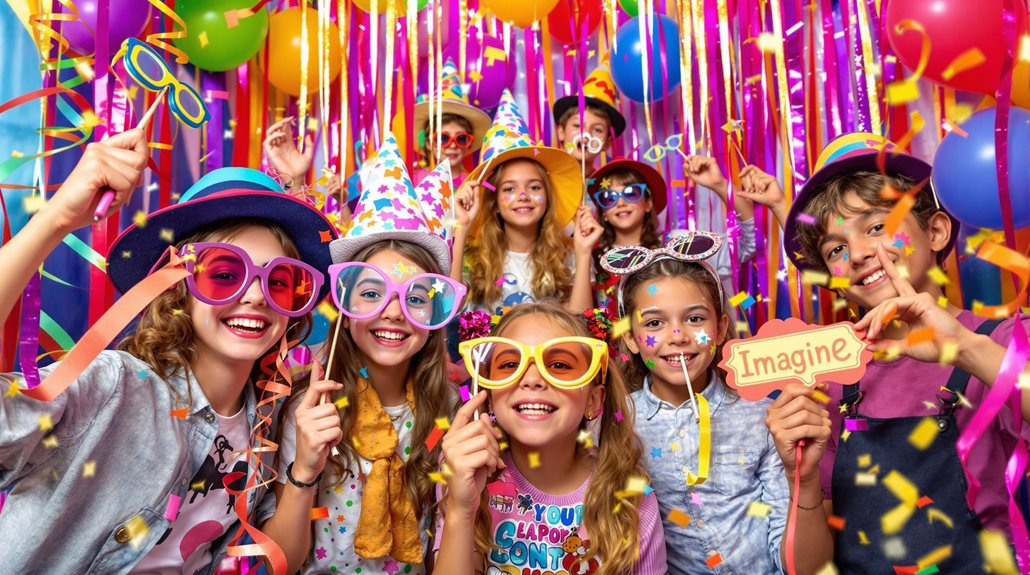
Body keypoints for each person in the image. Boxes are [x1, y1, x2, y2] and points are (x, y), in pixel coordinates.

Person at [0, 130, 337, 573]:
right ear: (179, 287)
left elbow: (276, 563)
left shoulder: (264, 428)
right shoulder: (112, 387)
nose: (255, 296)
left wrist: (305, 472)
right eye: (224, 273)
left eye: (278, 281)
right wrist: (57, 218)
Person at [766, 132, 1029, 573]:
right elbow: (809, 569)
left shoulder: (1001, 340)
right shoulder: (832, 375)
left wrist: (966, 351)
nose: (859, 254)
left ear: (936, 230)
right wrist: (804, 481)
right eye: (835, 248)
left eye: (877, 227)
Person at [260, 132, 464, 574]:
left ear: (434, 318)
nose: (393, 312)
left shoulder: (445, 410)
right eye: (371, 292)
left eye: (414, 296)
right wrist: (305, 469)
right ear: (346, 308)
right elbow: (281, 563)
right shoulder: (309, 407)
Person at [602, 233, 789, 573]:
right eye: (655, 323)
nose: (678, 336)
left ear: (719, 329)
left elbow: (789, 546)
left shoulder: (762, 415)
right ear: (630, 339)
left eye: (694, 319)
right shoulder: (615, 424)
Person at [434, 301, 667, 574]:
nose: (532, 379)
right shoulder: (466, 469)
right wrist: (462, 510)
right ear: (489, 395)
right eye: (510, 364)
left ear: (593, 400)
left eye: (558, 364)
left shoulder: (631, 496)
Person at [451, 90, 600, 314]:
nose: (523, 195)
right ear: (495, 203)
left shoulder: (567, 253)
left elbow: (580, 319)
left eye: (534, 187)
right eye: (509, 188)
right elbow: (447, 309)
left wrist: (583, 252)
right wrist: (461, 228)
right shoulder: (473, 255)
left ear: (548, 198)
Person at [402, 60, 492, 188]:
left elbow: (496, 194)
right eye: (443, 138)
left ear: (469, 144)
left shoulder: (477, 183)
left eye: (461, 138)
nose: (453, 145)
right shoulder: (412, 181)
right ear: (428, 143)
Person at [552, 66, 626, 173]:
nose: (586, 135)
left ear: (607, 144)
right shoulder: (542, 183)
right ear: (561, 132)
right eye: (577, 125)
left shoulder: (605, 188)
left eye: (597, 130)